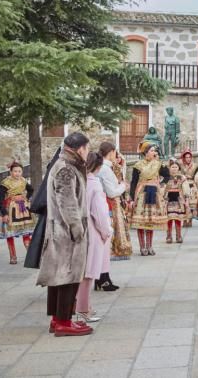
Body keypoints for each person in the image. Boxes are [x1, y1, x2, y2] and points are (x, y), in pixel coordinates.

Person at [36, 132, 93, 337]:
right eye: (87, 148)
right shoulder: (66, 169)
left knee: (60, 276)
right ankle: (63, 321)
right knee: (68, 277)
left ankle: (58, 318)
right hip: (66, 233)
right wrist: (77, 230)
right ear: (79, 148)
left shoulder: (68, 166)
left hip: (61, 231)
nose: (88, 152)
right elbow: (67, 203)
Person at [76, 153, 113, 323]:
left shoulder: (76, 180)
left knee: (79, 270)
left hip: (76, 228)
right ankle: (84, 308)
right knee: (88, 272)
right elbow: (99, 212)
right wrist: (106, 231)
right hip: (91, 229)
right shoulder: (94, 184)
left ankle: (77, 305)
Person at [129, 141, 170, 256]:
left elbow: (167, 175)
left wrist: (161, 184)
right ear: (145, 153)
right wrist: (132, 199)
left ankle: (150, 246)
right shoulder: (138, 165)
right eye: (152, 150)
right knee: (141, 221)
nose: (154, 152)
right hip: (142, 193)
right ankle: (142, 247)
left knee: (150, 221)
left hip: (154, 193)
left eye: (154, 151)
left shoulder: (157, 164)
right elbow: (133, 182)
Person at [97, 142, 131, 266]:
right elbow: (111, 192)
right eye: (115, 152)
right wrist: (123, 186)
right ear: (111, 152)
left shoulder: (105, 167)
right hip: (108, 203)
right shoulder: (105, 169)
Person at [0, 162, 34, 264]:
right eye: (15, 171)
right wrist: (4, 213)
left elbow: (31, 189)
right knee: (10, 234)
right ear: (11, 171)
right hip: (10, 209)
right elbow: (0, 199)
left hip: (23, 209)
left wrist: (26, 197)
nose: (17, 173)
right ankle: (13, 256)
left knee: (26, 232)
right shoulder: (5, 182)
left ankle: (30, 256)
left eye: (19, 171)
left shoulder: (23, 181)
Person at [165, 160, 191, 244]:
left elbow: (186, 189)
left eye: (176, 167)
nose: (174, 169)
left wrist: (186, 200)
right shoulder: (166, 177)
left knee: (178, 218)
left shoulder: (182, 177)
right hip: (168, 200)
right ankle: (169, 236)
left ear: (179, 168)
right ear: (169, 168)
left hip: (179, 199)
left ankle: (178, 235)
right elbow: (162, 188)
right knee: (168, 219)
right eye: (172, 167)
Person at [179, 149, 198, 227]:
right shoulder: (180, 166)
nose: (188, 159)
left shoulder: (195, 166)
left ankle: (190, 220)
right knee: (183, 203)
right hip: (183, 185)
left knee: (192, 204)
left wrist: (193, 178)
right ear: (184, 158)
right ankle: (184, 220)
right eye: (186, 157)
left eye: (189, 157)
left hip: (192, 185)